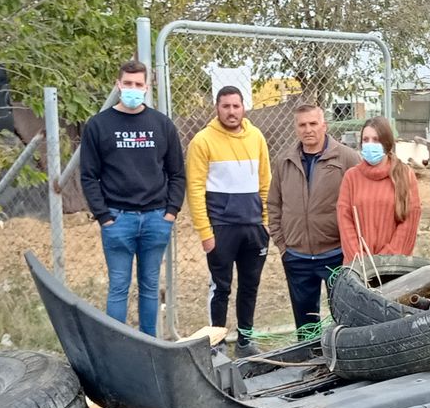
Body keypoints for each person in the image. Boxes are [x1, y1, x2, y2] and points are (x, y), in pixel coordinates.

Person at [78, 59, 184, 337]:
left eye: (138, 84)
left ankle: (149, 346)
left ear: (146, 87)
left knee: (150, 287)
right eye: (128, 83)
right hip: (118, 220)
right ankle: (117, 347)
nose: (133, 89)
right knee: (118, 287)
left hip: (156, 219)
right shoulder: (98, 125)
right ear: (118, 85)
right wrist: (104, 217)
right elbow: (88, 176)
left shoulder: (162, 125)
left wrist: (170, 212)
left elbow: (177, 173)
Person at [185, 86, 271, 353]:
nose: (231, 112)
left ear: (243, 107)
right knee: (221, 289)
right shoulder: (202, 141)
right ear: (217, 108)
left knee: (250, 286)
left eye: (236, 106)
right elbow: (195, 189)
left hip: (254, 228)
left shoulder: (256, 137)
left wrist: (266, 221)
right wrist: (205, 232)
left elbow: (265, 182)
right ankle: (217, 345)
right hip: (221, 228)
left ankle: (245, 341)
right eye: (226, 106)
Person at [268, 102, 359, 331]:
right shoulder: (284, 161)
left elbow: (360, 203)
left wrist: (350, 245)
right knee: (306, 326)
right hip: (296, 256)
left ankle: (341, 352)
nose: (308, 129)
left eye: (313, 123)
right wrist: (283, 245)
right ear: (296, 128)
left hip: (335, 254)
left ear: (324, 125)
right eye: (302, 125)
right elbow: (274, 204)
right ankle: (310, 352)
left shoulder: (346, 158)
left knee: (344, 318)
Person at [337, 117, 421, 266]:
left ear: (387, 142)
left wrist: (385, 260)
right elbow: (345, 220)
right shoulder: (351, 177)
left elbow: (409, 220)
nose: (370, 144)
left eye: (376, 140)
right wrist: (360, 259)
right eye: (366, 139)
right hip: (358, 266)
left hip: (394, 265)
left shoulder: (405, 175)